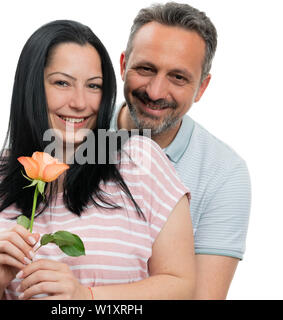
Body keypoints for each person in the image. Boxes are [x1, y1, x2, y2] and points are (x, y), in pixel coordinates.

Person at [0, 19, 195, 300]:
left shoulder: (141, 161)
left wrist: (86, 297)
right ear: (32, 86)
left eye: (94, 86)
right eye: (62, 83)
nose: (80, 102)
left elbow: (180, 287)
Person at [111, 2, 251, 299]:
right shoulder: (69, 130)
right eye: (146, 69)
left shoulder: (224, 175)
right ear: (123, 65)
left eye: (178, 77)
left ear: (202, 87)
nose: (156, 91)